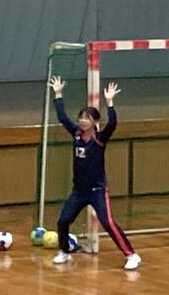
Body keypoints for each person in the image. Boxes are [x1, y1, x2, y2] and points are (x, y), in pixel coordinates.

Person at [48, 76, 140, 270]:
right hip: (79, 191)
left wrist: (110, 103)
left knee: (108, 222)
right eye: (81, 117)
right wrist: (58, 94)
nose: (82, 121)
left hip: (97, 190)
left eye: (87, 118)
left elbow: (112, 124)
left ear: (95, 121)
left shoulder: (100, 139)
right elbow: (62, 117)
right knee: (63, 221)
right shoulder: (76, 134)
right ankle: (64, 251)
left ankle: (131, 255)